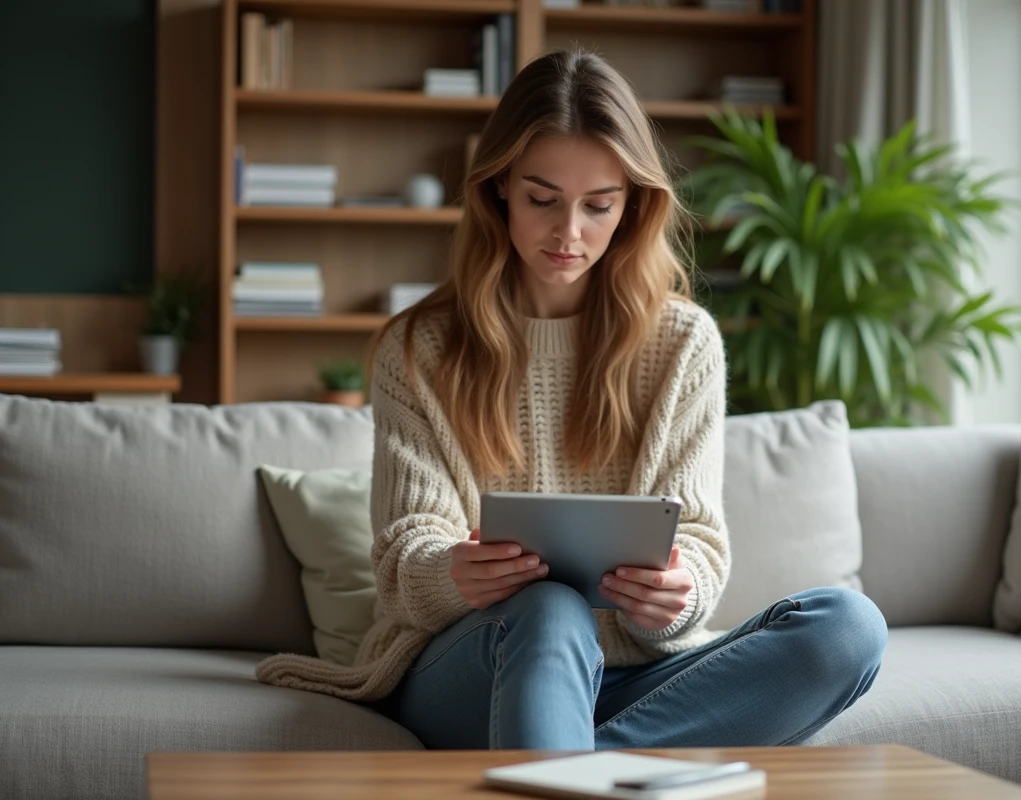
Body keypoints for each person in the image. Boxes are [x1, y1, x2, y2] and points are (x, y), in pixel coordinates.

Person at [256, 49, 887, 750]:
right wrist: (454, 574)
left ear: (634, 205)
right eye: (542, 198)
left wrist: (674, 598)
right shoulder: (420, 348)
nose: (568, 233)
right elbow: (404, 565)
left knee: (847, 628)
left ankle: (566, 762)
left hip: (630, 674)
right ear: (498, 188)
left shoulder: (683, 344)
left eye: (599, 205)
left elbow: (699, 545)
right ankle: (581, 758)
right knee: (552, 609)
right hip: (473, 663)